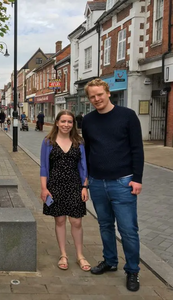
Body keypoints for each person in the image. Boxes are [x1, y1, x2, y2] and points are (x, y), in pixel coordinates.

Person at [82, 78, 144, 292]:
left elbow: (137, 148)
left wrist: (137, 178)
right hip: (98, 183)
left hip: (123, 182)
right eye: (92, 96)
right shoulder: (88, 120)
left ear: (108, 92)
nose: (96, 99)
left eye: (100, 94)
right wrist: (86, 178)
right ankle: (110, 261)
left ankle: (133, 270)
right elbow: (88, 150)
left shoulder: (127, 116)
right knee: (105, 225)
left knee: (128, 230)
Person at [40, 110, 90, 272]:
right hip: (55, 186)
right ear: (57, 122)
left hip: (75, 186)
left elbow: (84, 166)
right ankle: (63, 254)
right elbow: (44, 167)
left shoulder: (79, 142)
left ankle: (80, 255)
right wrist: (44, 188)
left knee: (76, 221)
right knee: (60, 221)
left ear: (73, 124)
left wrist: (84, 187)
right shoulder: (48, 142)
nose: (66, 125)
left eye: (69, 122)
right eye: (63, 121)